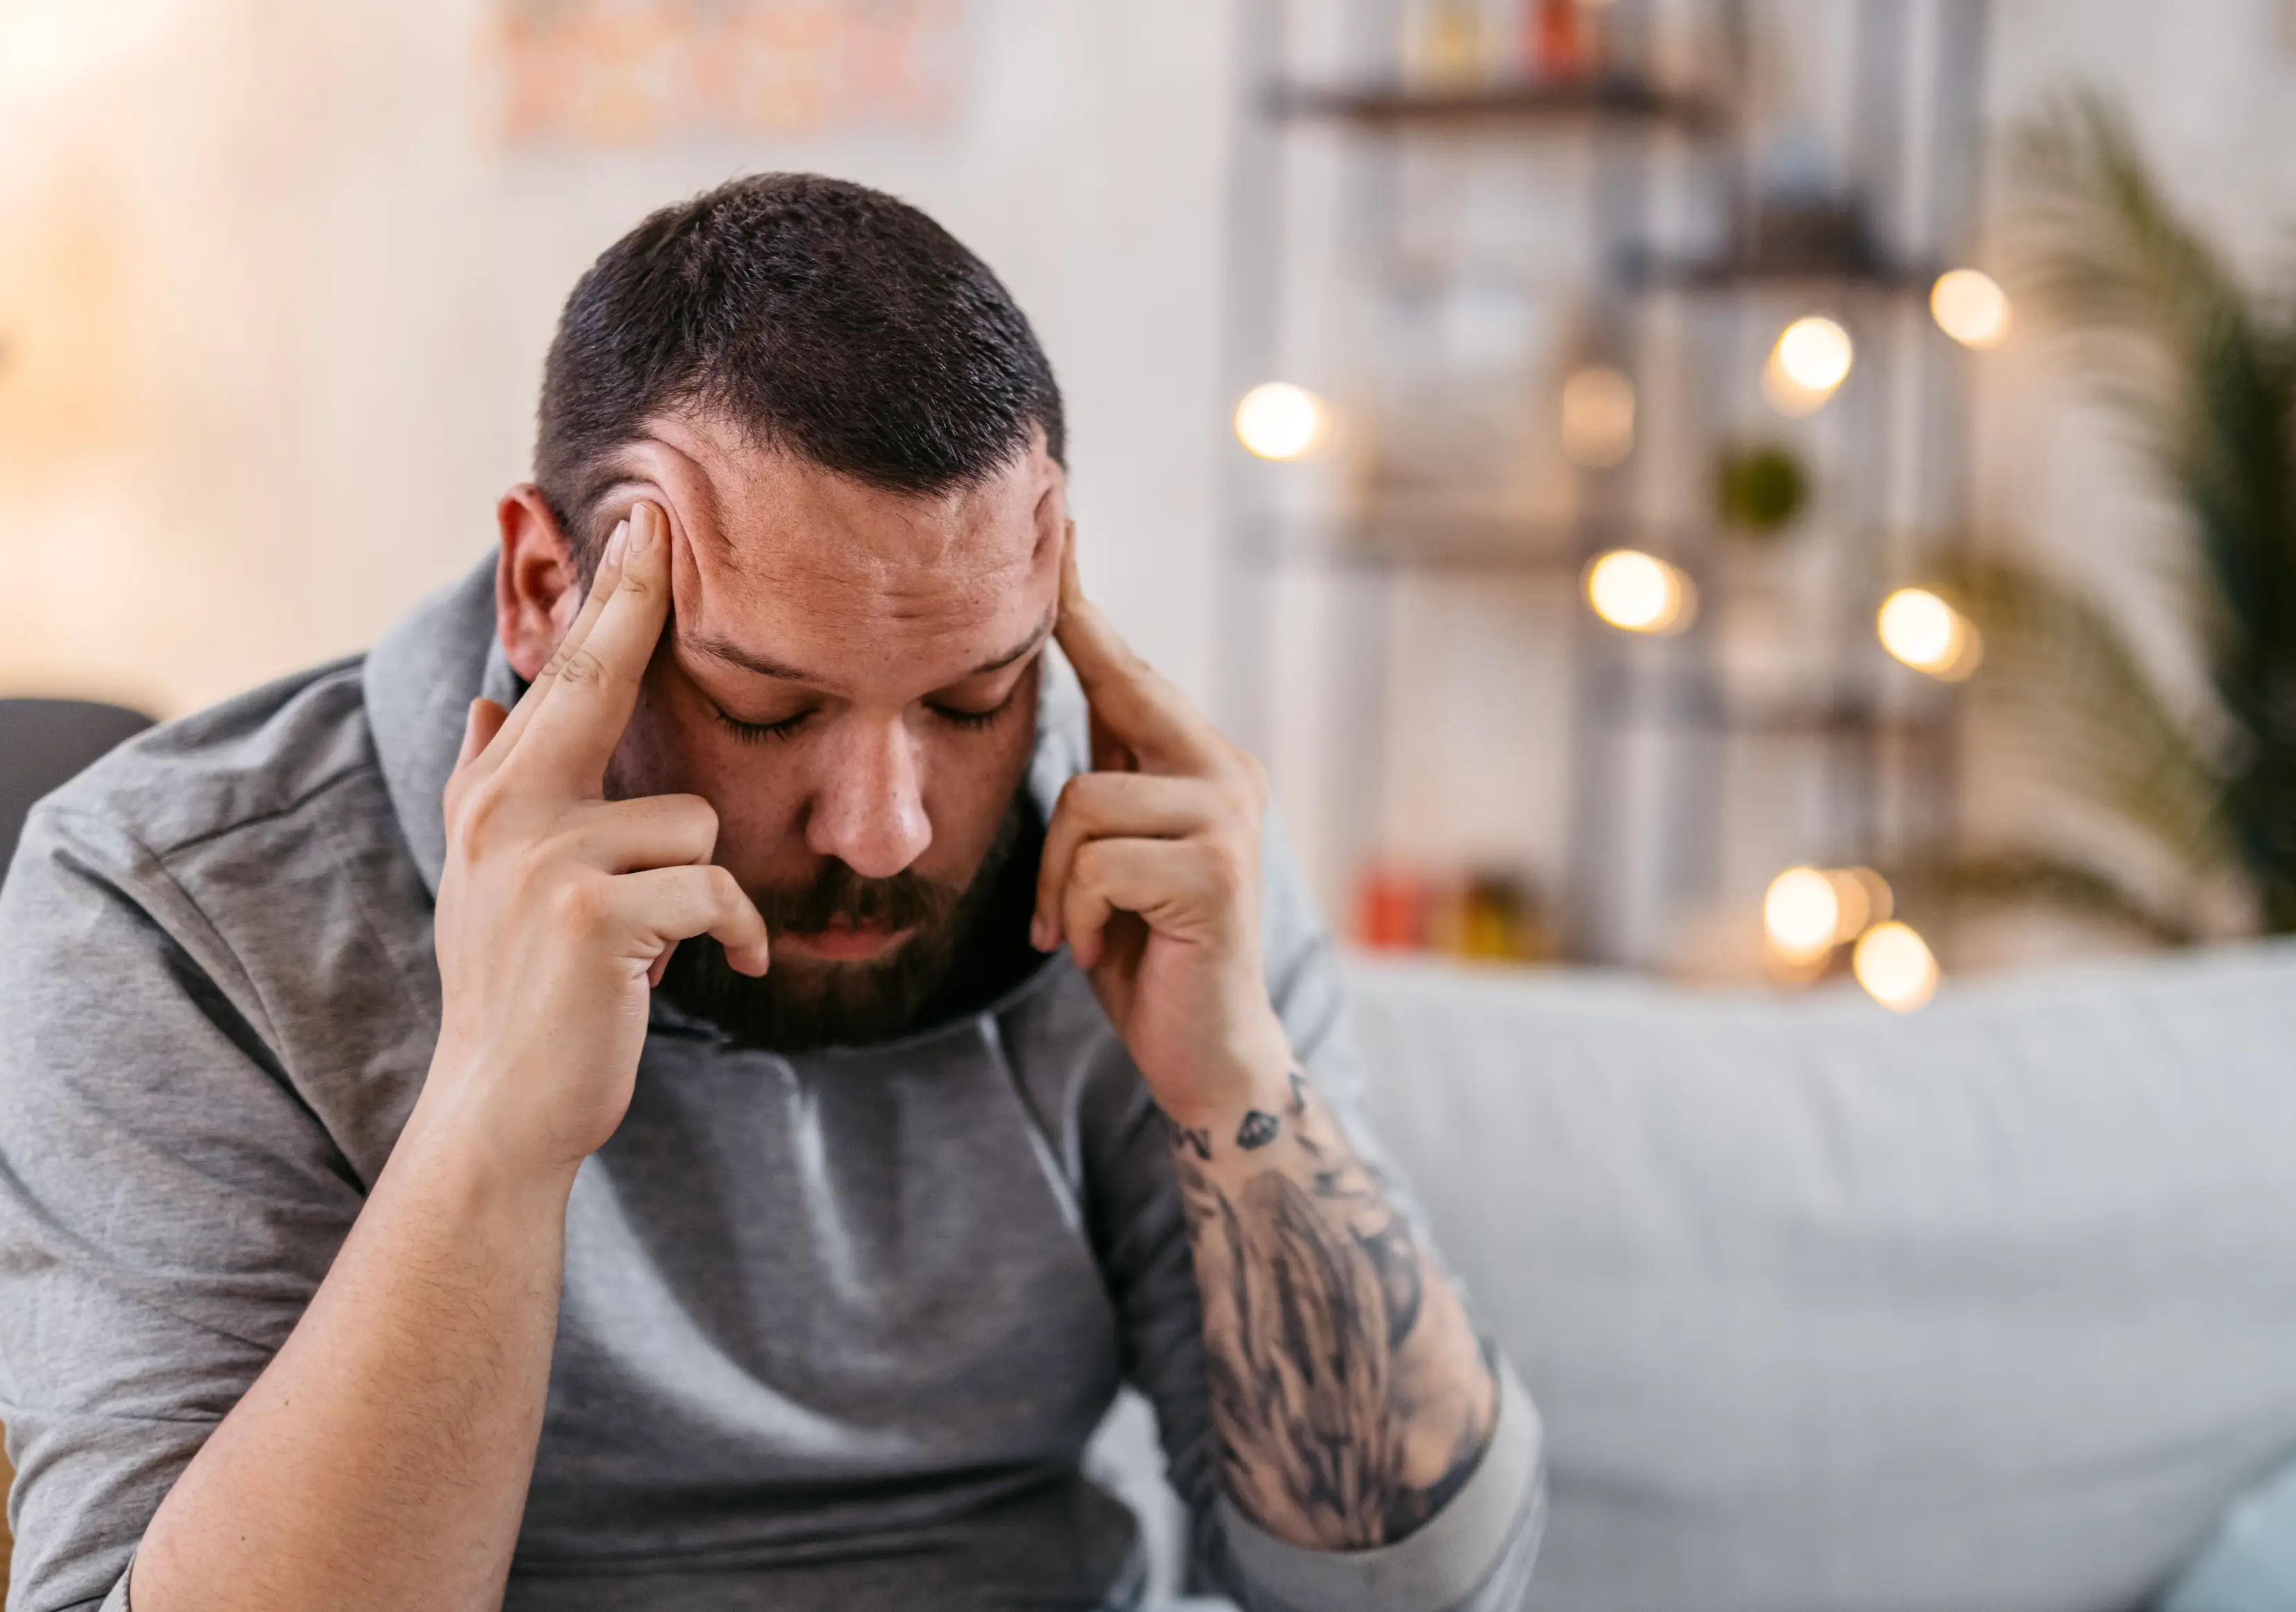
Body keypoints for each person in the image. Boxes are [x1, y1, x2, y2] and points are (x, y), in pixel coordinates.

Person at [0, 174, 1543, 1612]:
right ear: (549, 592)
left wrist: (1238, 1088)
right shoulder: (170, 899)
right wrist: (493, 1125)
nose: (882, 830)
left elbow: (1411, 1595)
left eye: (970, 698)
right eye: (766, 710)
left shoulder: (1140, 848)